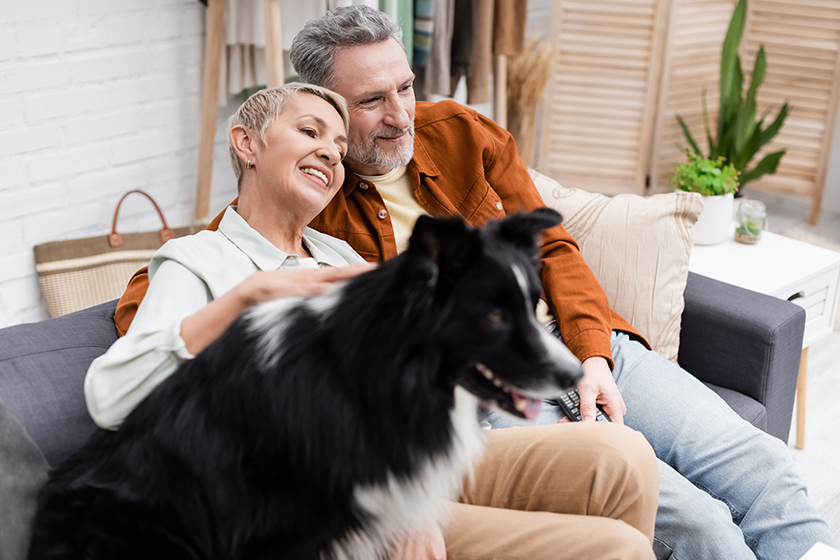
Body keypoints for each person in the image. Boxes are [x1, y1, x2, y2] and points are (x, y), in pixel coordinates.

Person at [109, 6, 838, 559]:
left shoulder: (460, 134)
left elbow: (554, 246)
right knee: (696, 520)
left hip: (578, 346)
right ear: (321, 108)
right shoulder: (309, 192)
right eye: (371, 103)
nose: (401, 116)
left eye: (406, 86)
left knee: (763, 467)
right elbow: (164, 291)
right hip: (493, 398)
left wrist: (592, 353)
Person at [86, 82, 661, 560]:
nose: (330, 154)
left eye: (339, 147)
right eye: (310, 133)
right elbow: (113, 397)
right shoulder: (200, 260)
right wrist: (244, 298)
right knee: (617, 550)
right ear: (246, 144)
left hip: (415, 464)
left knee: (622, 457)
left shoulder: (342, 260)